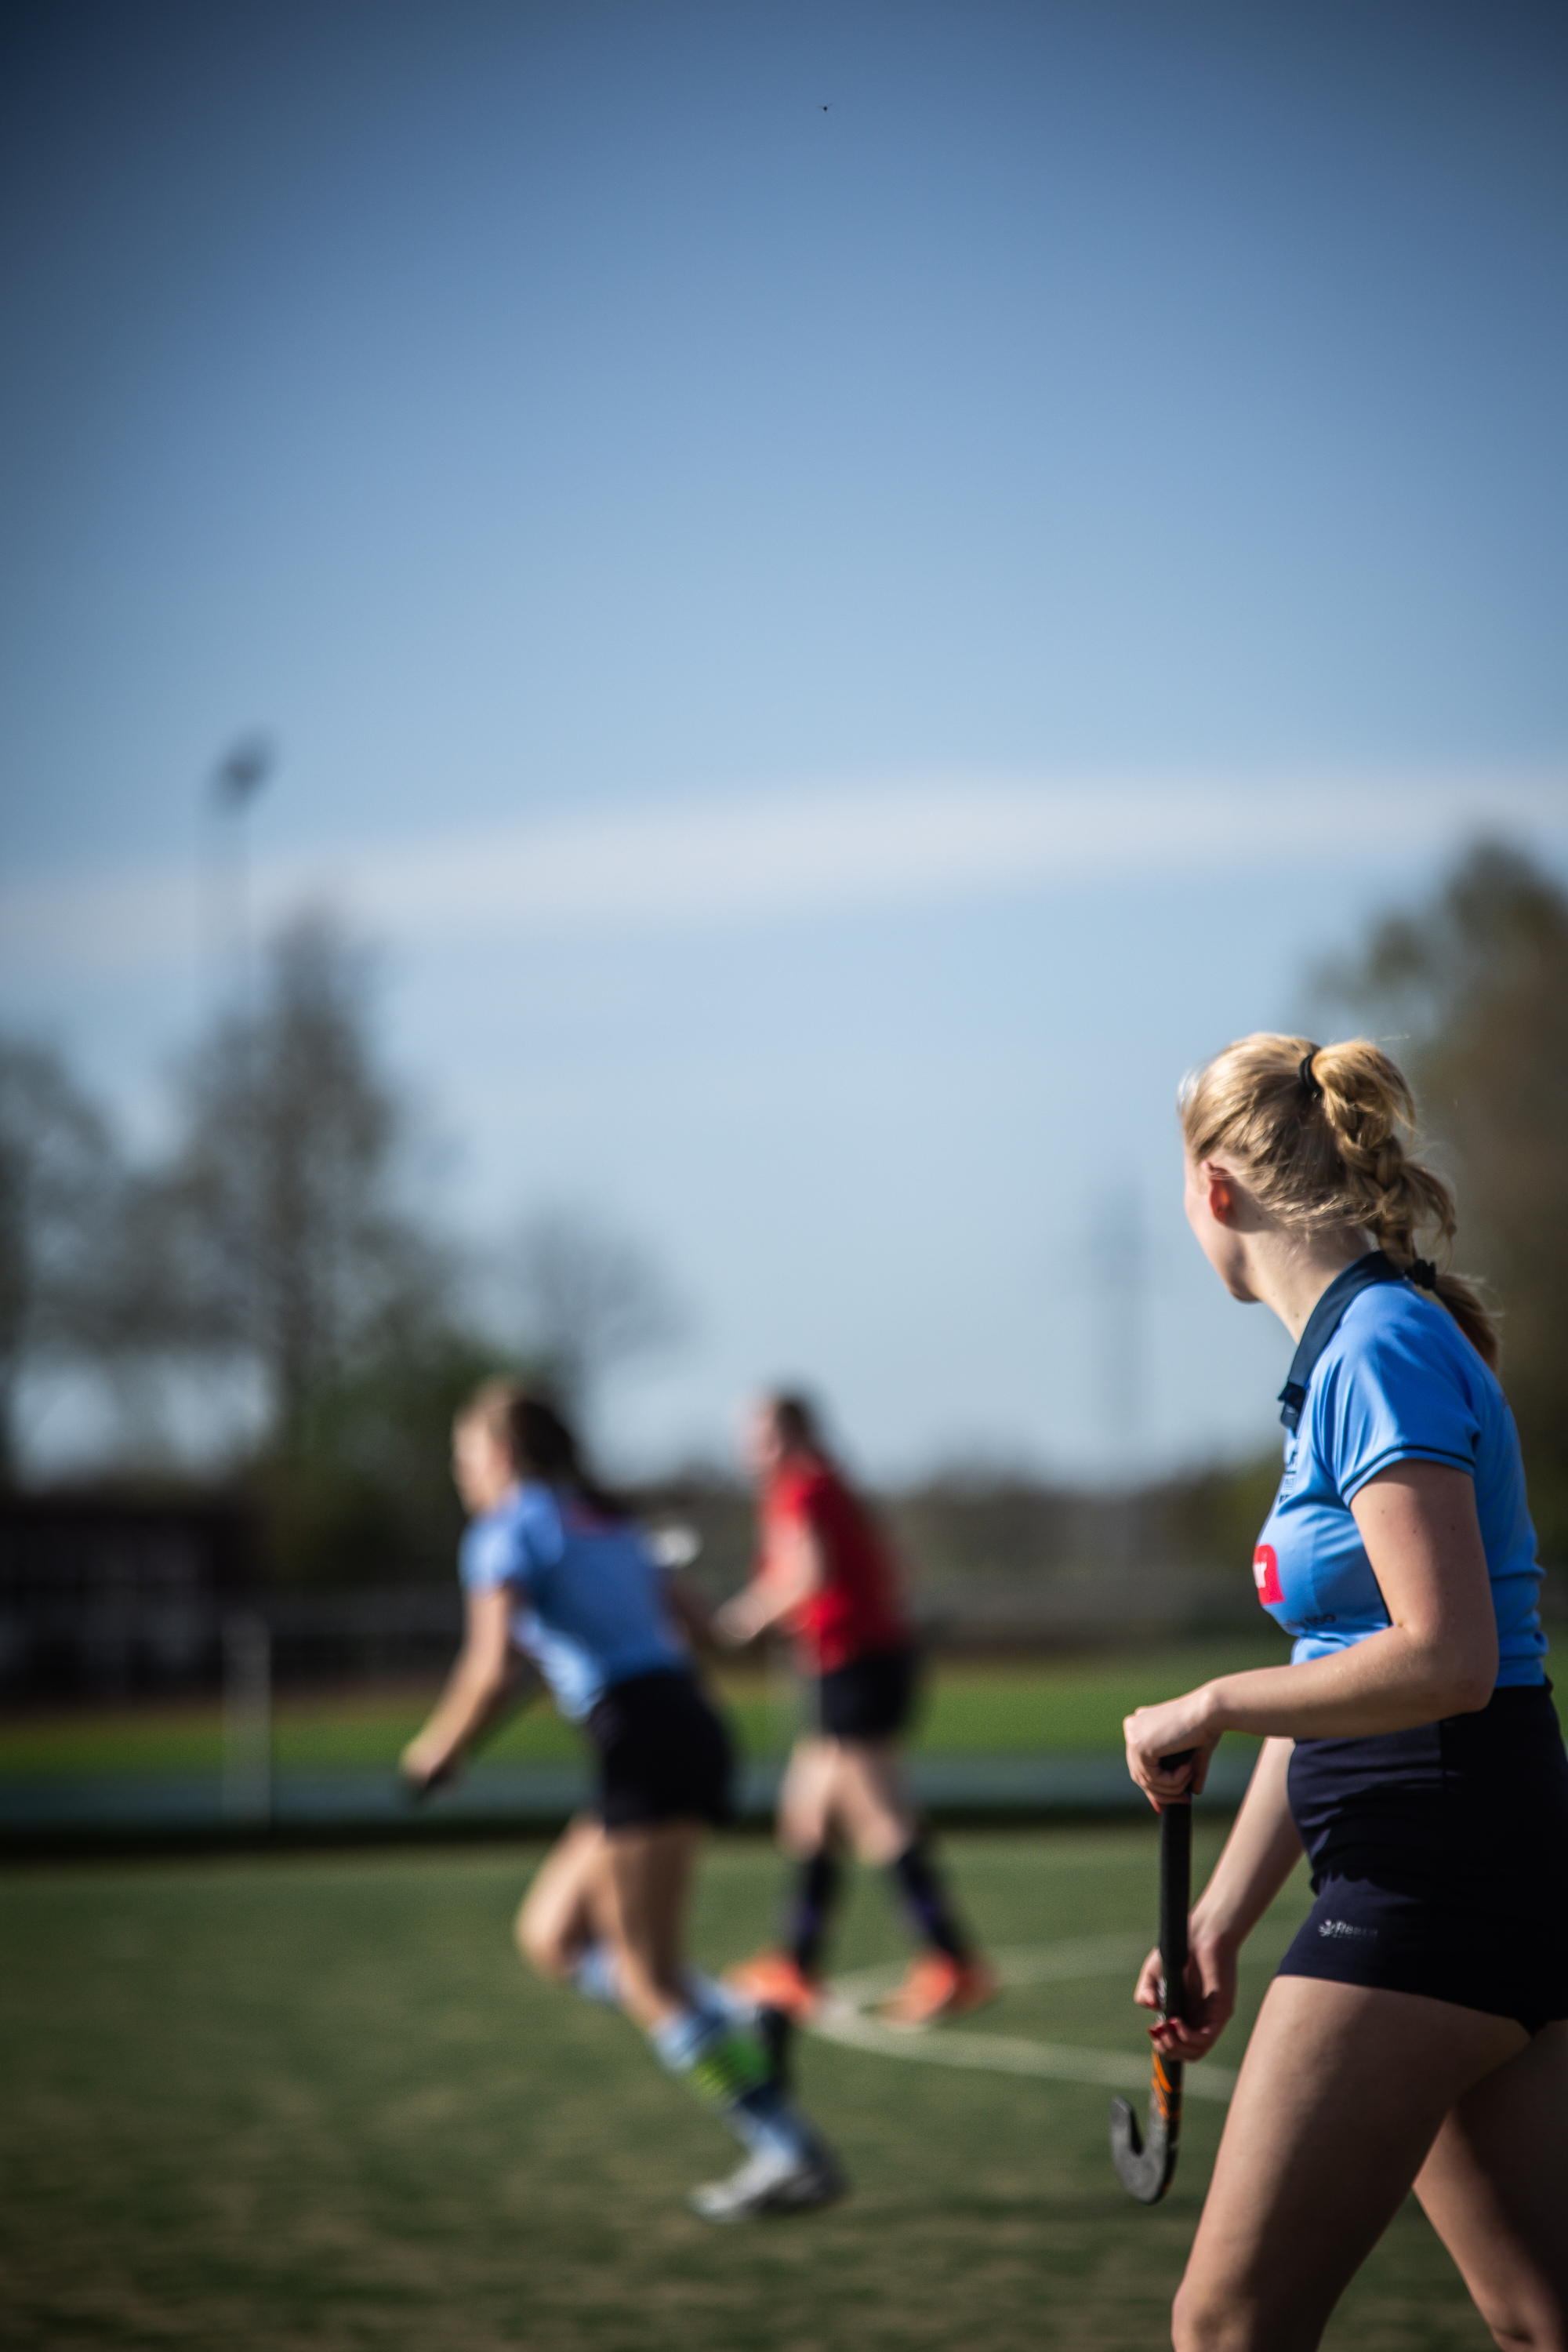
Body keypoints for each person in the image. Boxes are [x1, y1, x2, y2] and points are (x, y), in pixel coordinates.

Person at [1122, 1036, 1568, 2352]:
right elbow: (1339, 1681)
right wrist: (1218, 1921)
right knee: (1545, 2317)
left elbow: (1443, 1660)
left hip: (1431, 1877)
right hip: (1471, 1857)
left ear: (1215, 1190)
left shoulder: (1376, 1346)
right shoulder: (1353, 1351)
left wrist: (1209, 1703)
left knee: (1227, 2328)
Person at [399, 1381, 844, 2222]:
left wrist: (436, 1753)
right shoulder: (606, 1521)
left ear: (497, 1457)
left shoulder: (503, 1534)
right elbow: (709, 1631)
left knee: (646, 1979)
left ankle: (789, 2151)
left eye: (462, 1457)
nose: (460, 1475)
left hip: (641, 1739)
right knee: (552, 1935)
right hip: (678, 1726)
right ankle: (735, 2013)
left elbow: (491, 1668)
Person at [714, 1391, 996, 2027]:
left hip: (852, 1668)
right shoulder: (828, 1485)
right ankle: (798, 1965)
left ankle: (951, 1960)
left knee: (879, 1817)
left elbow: (808, 1574)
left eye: (761, 1436)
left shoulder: (803, 1489)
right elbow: (893, 1569)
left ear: (793, 1437)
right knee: (808, 1815)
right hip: (856, 1665)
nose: (748, 1450)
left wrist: (742, 1619)